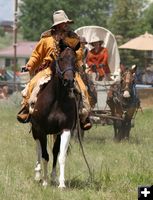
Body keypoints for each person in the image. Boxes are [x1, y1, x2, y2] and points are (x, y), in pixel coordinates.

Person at [17, 10, 92, 130]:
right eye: (64, 22)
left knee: (83, 89)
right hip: (48, 69)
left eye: (67, 22)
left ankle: (84, 116)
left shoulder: (73, 38)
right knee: (32, 85)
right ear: (57, 25)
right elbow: (37, 55)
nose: (66, 24)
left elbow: (78, 53)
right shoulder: (46, 39)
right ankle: (26, 109)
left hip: (68, 69)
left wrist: (73, 55)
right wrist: (29, 65)